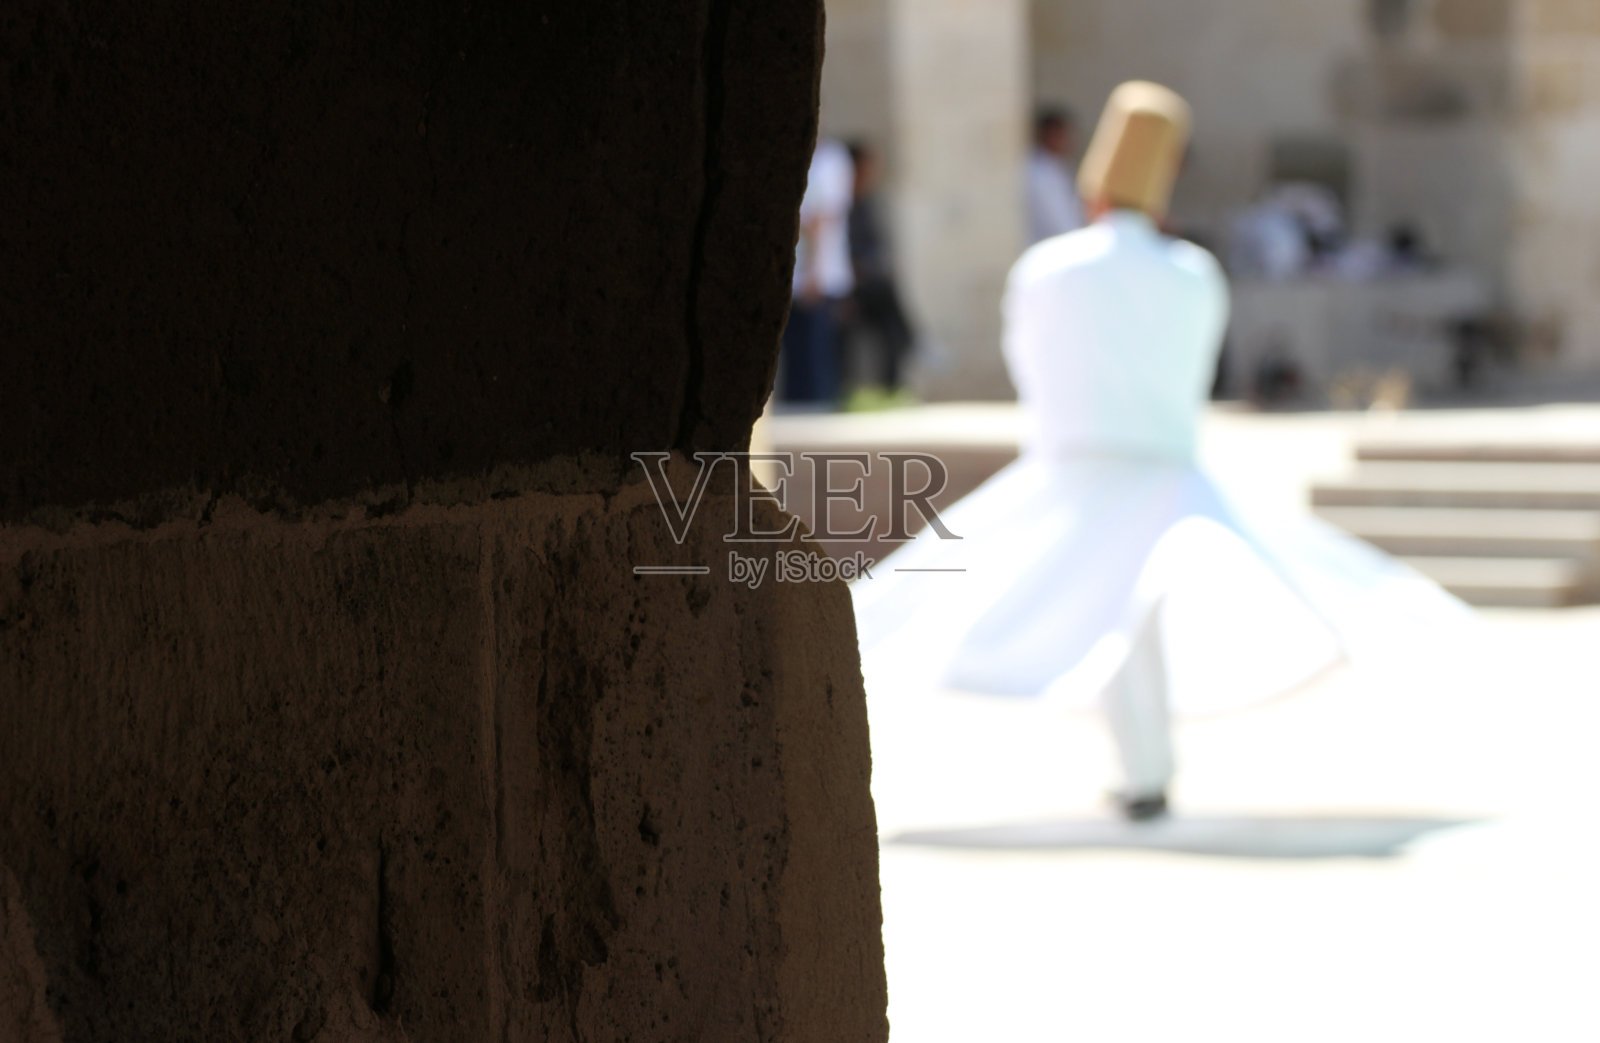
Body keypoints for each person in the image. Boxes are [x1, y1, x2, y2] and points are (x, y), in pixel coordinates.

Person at [851, 82, 1468, 821]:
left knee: (1046, 614)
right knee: (1132, 625)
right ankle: (1146, 771)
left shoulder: (1049, 268)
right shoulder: (1193, 273)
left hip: (1073, 467)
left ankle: (1144, 772)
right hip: (1159, 469)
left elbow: (1033, 361)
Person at [779, 137, 855, 405]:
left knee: (813, 362)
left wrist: (814, 273)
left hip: (813, 281)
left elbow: (819, 222)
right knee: (798, 360)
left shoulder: (828, 161)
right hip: (799, 279)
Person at [844, 140, 916, 400]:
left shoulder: (866, 203)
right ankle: (915, 342)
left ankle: (892, 385)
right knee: (890, 308)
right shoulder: (842, 205)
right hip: (853, 287)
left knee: (892, 326)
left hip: (871, 284)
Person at [1025, 106, 1084, 245]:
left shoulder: (1058, 166)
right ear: (1049, 134)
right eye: (1062, 134)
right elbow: (1061, 222)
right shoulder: (1039, 171)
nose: (1068, 140)